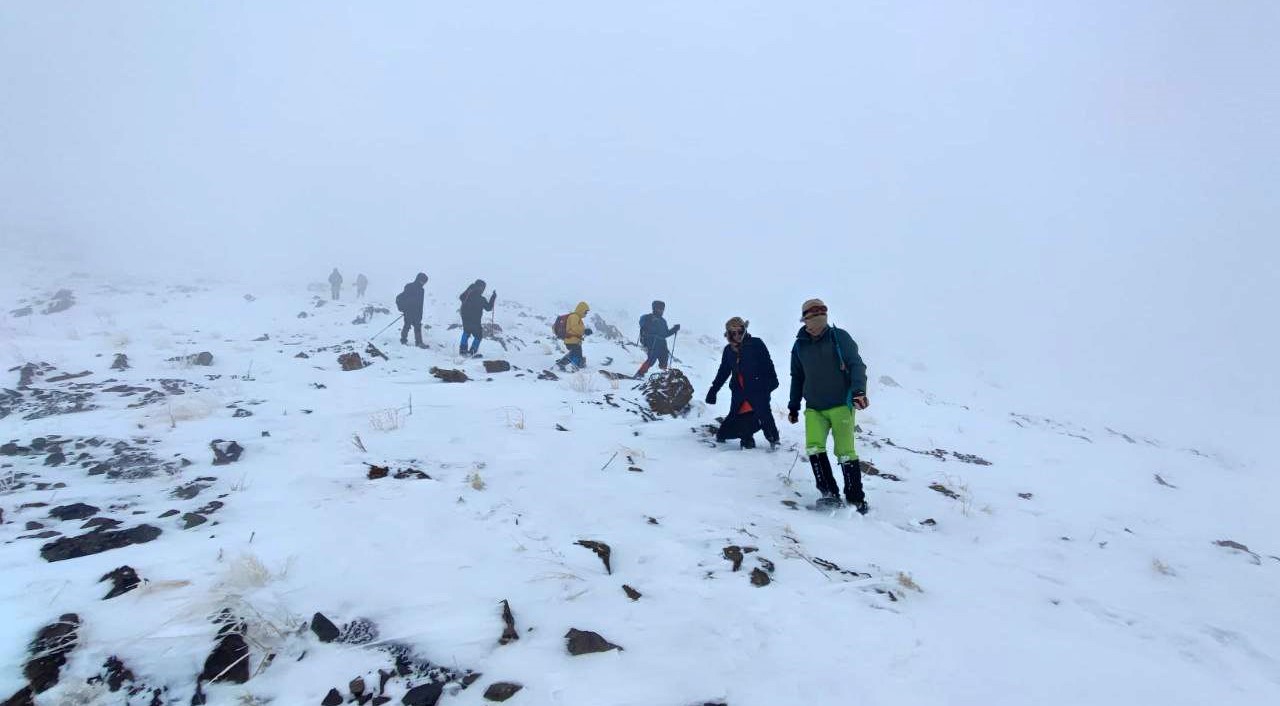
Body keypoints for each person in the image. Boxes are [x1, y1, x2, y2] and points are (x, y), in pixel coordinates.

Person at [787, 298, 870, 513]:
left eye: (822, 313)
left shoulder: (839, 337)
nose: (818, 318)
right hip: (814, 407)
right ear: (805, 319)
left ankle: (855, 499)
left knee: (845, 452)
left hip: (841, 405)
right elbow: (797, 377)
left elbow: (857, 365)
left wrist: (859, 391)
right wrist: (794, 406)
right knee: (814, 448)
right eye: (813, 315)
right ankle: (829, 494)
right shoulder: (799, 345)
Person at [705, 317, 780, 450]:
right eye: (733, 333)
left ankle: (774, 442)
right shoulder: (728, 350)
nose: (737, 335)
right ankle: (746, 440)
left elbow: (768, 365)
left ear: (744, 330)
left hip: (758, 388)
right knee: (735, 418)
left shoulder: (756, 344)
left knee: (764, 414)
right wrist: (713, 390)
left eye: (740, 331)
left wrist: (769, 386)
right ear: (728, 334)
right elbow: (723, 371)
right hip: (739, 390)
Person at [634, 300, 681, 378]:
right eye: (659, 309)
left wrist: (674, 329)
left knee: (664, 358)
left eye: (662, 309)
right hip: (652, 341)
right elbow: (643, 325)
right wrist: (651, 323)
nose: (661, 311)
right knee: (651, 359)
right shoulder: (648, 317)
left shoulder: (663, 321)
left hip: (662, 343)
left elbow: (665, 334)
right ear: (654, 308)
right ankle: (640, 373)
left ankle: (663, 377)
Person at [458, 279, 497, 357]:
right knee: (478, 336)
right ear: (481, 288)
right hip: (475, 320)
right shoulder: (481, 299)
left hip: (465, 318)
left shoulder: (467, 295)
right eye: (483, 288)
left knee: (466, 332)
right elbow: (488, 308)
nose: (483, 290)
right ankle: (472, 351)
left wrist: (469, 288)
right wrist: (493, 297)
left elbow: (461, 297)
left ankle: (463, 350)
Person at [555, 302, 592, 370]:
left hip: (573, 340)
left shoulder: (577, 317)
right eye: (585, 312)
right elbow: (574, 327)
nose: (586, 314)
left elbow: (575, 329)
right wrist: (584, 331)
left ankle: (562, 363)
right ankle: (574, 368)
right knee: (577, 355)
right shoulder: (574, 316)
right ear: (581, 310)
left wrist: (584, 331)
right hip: (572, 340)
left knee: (573, 354)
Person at [396, 273, 429, 348]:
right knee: (407, 325)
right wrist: (404, 309)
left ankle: (419, 342)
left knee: (418, 327)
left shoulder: (422, 290)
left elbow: (420, 303)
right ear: (418, 279)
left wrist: (420, 314)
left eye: (425, 282)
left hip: (417, 312)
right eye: (423, 281)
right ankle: (403, 340)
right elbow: (403, 297)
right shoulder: (409, 286)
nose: (423, 283)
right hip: (409, 311)